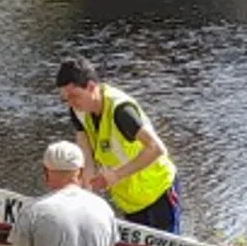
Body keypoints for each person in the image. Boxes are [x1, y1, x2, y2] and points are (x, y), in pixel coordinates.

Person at [55, 55, 181, 233]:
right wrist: (87, 191)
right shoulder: (79, 112)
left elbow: (156, 148)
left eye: (74, 96)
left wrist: (116, 175)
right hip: (130, 201)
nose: (71, 103)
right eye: (65, 99)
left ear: (91, 87)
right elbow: (86, 152)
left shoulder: (121, 111)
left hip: (158, 191)